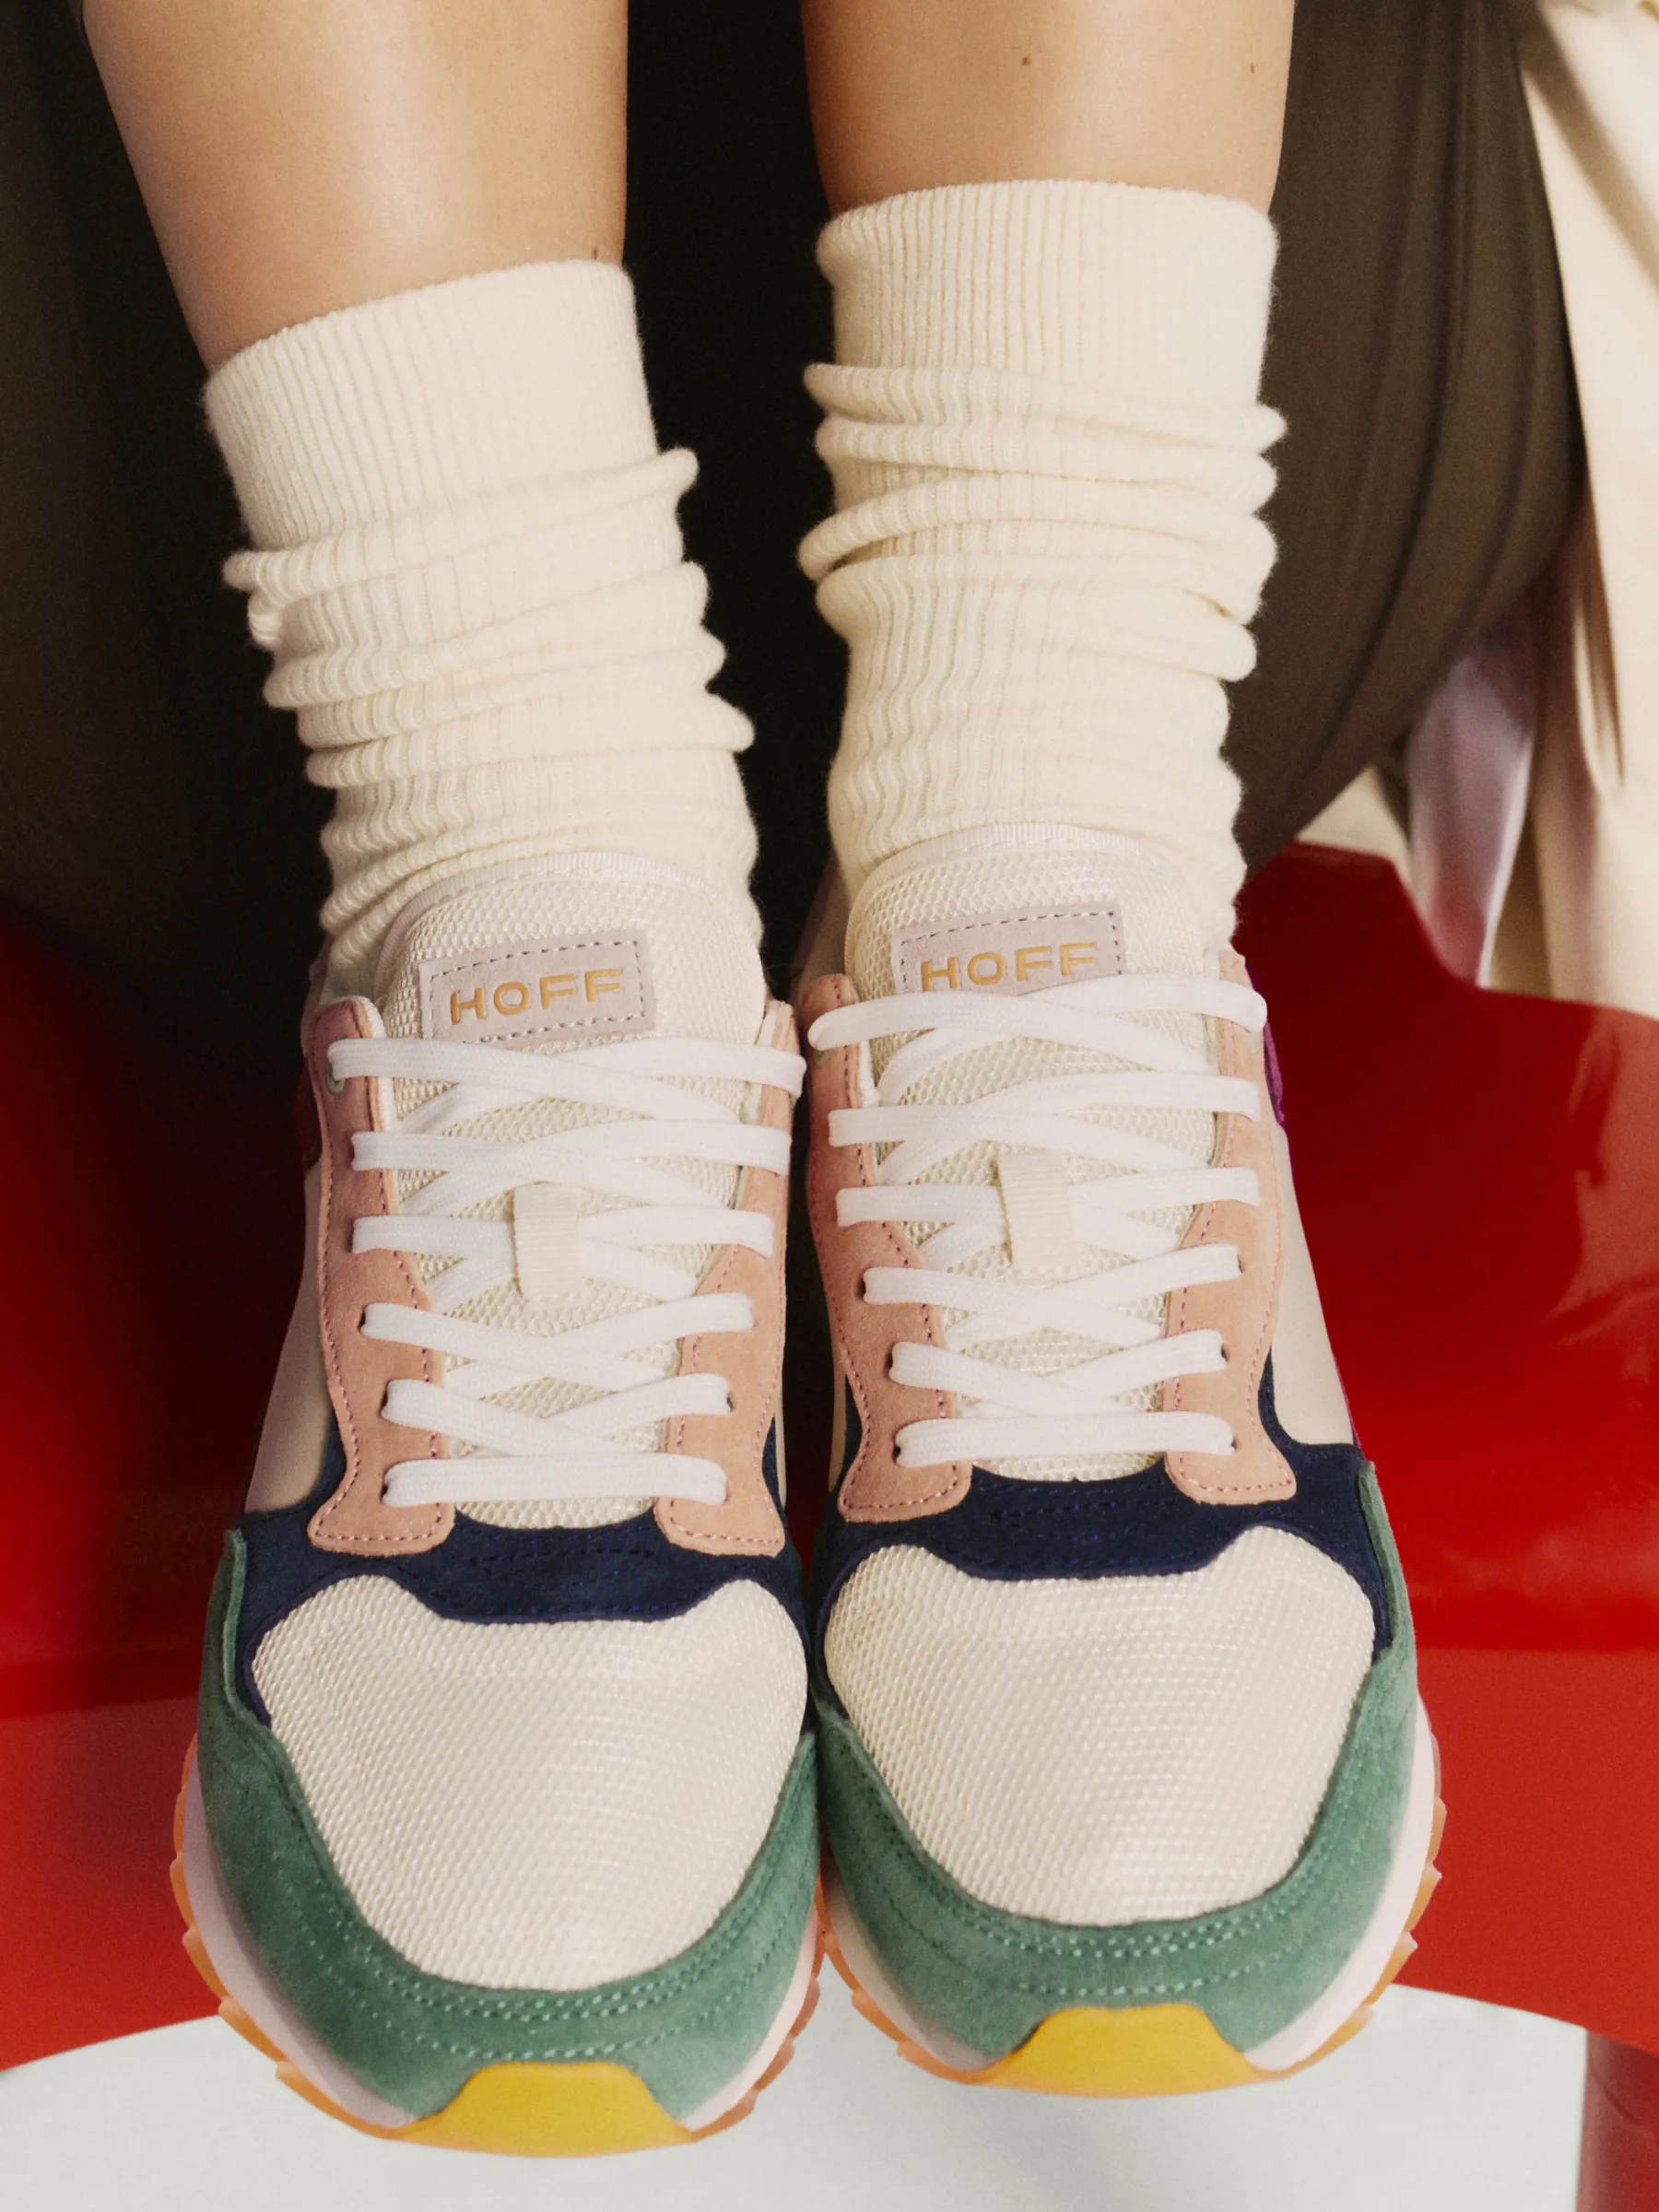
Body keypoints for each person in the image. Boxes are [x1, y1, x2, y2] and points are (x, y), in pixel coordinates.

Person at [76, 0, 1577, 2153]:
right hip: (240, 453)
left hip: (1181, 375)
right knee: (478, 772)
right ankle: (503, 835)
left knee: (1056, 711)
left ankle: (1038, 813)